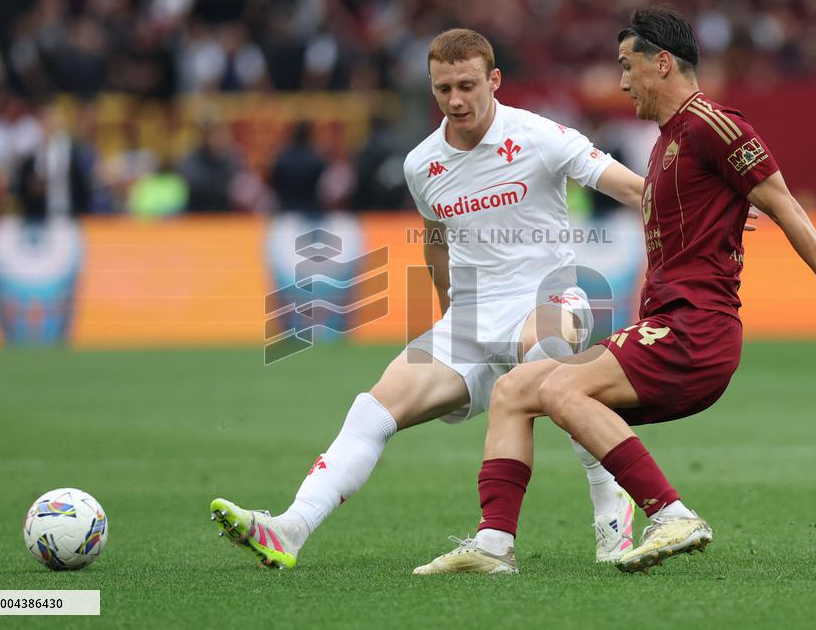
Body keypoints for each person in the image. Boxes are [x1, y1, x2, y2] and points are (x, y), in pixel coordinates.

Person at [413, 8, 816, 576]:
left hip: (696, 330)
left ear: (661, 63)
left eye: (627, 65)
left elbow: (784, 203)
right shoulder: (666, 142)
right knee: (515, 391)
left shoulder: (714, 124)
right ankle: (494, 544)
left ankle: (671, 513)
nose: (620, 81)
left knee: (565, 389)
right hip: (666, 324)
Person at [209, 28, 653, 569]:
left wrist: (702, 208)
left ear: (494, 80)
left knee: (548, 355)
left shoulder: (540, 135)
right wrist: (448, 313)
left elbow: (633, 188)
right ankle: (291, 529)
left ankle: (612, 513)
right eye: (443, 89)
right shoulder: (422, 165)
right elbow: (436, 242)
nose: (456, 100)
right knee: (373, 409)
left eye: (467, 85)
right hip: (469, 320)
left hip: (547, 299)